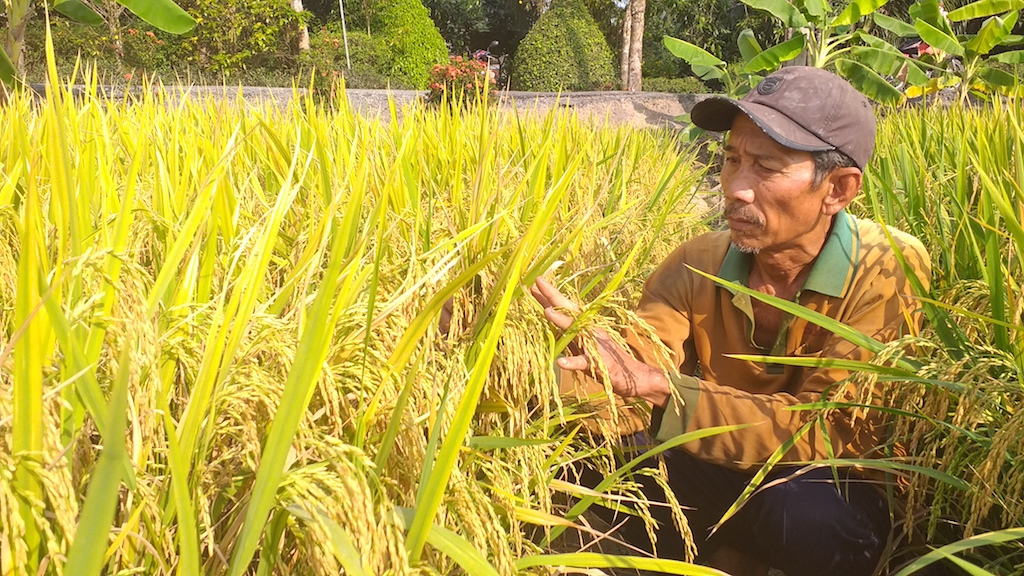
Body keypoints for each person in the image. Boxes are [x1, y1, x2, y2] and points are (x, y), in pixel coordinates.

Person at [531, 66, 931, 576]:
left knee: (804, 512)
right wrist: (536, 363)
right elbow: (627, 390)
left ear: (838, 189)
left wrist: (660, 391)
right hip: (719, 465)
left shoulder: (887, 266)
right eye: (731, 160)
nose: (737, 189)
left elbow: (832, 433)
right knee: (602, 467)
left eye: (765, 167)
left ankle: (740, 556)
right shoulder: (694, 262)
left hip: (822, 484)